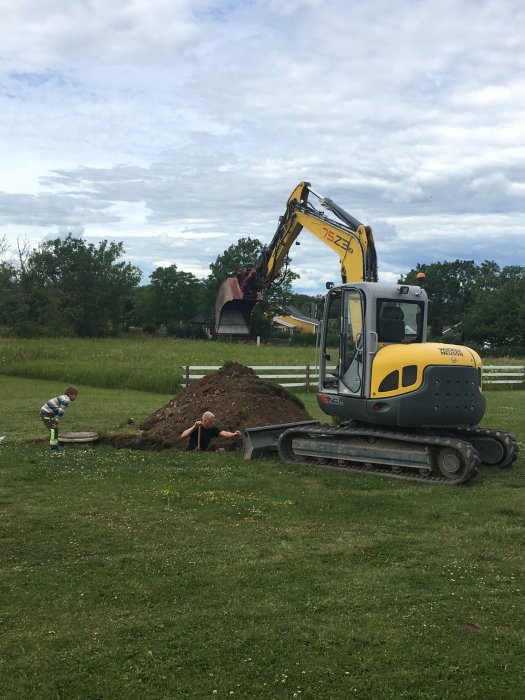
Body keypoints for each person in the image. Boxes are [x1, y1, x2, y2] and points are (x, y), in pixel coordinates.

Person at [40, 385, 78, 452]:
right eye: (75, 395)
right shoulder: (66, 400)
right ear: (70, 394)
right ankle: (54, 448)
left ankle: (55, 447)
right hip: (45, 414)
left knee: (54, 430)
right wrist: (56, 422)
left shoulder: (64, 398)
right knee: (53, 430)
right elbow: (61, 412)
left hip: (47, 414)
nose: (76, 397)